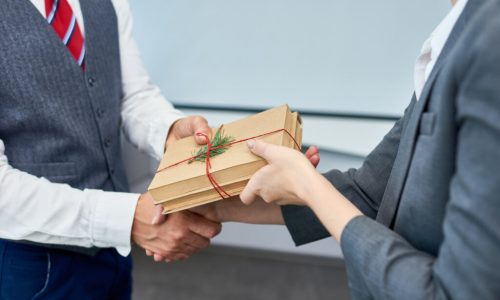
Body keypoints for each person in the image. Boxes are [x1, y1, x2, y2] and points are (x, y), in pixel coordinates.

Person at [151, 0, 500, 298]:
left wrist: (308, 186)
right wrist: (216, 208)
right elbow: (371, 191)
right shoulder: (457, 34)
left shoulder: (488, 42)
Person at [0, 0, 221, 299]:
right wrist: (126, 219)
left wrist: (169, 131)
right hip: (35, 265)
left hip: (115, 250)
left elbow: (132, 95)